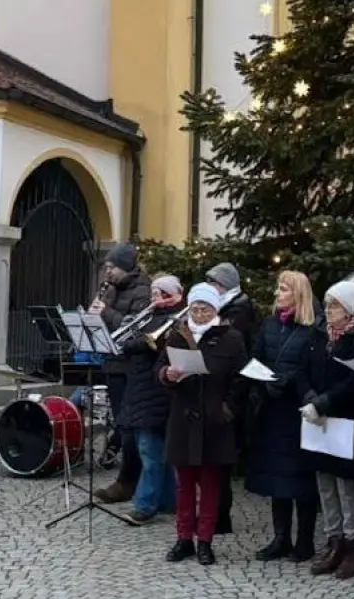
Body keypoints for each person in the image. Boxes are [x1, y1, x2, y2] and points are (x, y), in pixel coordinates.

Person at [159, 282, 247, 566]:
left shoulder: (231, 338)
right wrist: (167, 374)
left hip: (214, 420)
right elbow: (158, 369)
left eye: (205, 308)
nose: (199, 313)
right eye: (195, 308)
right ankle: (184, 537)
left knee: (210, 486)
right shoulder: (177, 336)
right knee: (183, 485)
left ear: (215, 310)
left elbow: (241, 380)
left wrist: (228, 410)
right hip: (183, 419)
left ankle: (205, 540)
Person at [302, 279, 354, 579]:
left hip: (345, 417)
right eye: (328, 304)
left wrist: (325, 402)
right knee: (324, 483)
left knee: (346, 486)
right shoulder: (319, 333)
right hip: (316, 416)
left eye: (335, 305)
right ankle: (332, 541)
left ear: (349, 310)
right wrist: (309, 397)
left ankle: (351, 545)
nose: (329, 310)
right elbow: (302, 368)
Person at [247, 271, 321, 562]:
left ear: (298, 294)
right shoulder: (268, 325)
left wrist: (290, 382)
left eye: (284, 289)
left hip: (297, 411)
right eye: (278, 288)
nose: (277, 293)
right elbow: (256, 357)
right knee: (276, 478)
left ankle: (305, 540)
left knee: (300, 479)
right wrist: (262, 379)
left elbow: (312, 369)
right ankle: (281, 537)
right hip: (271, 408)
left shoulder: (311, 329)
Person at [114, 274, 186, 523]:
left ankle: (144, 505)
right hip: (141, 390)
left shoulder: (172, 321)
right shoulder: (148, 316)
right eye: (153, 293)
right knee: (158, 452)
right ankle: (168, 501)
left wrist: (131, 340)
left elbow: (144, 346)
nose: (153, 298)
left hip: (155, 393)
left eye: (158, 293)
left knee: (149, 451)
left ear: (169, 295)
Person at [90, 242, 152, 495]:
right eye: (106, 266)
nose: (107, 272)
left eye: (111, 267)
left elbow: (134, 328)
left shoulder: (142, 290)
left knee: (129, 424)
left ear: (125, 267)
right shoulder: (110, 288)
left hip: (131, 365)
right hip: (112, 362)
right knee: (120, 419)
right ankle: (127, 478)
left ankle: (129, 480)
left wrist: (106, 312)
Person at [207, 261, 256, 535]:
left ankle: (220, 515)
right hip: (218, 389)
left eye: (214, 283)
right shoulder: (225, 307)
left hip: (229, 391)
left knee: (222, 459)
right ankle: (214, 512)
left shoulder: (238, 310)